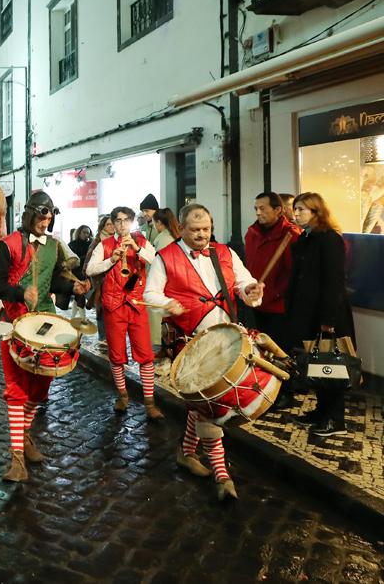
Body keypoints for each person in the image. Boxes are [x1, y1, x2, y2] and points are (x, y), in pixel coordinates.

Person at [142, 203, 264, 501]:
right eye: (194, 230)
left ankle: (186, 453)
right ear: (180, 229)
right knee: (213, 405)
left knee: (201, 405)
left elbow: (242, 281)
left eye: (206, 229)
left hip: (226, 338)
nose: (201, 235)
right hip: (190, 342)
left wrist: (250, 291)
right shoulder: (166, 257)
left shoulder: (224, 252)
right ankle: (222, 475)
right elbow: (149, 294)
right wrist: (166, 303)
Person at [0, 191, 90, 482]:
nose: (44, 223)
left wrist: (72, 289)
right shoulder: (8, 245)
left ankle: (25, 436)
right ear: (30, 215)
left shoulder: (54, 245)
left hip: (45, 319)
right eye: (41, 217)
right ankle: (17, 458)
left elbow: (54, 280)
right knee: (17, 390)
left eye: (49, 219)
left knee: (40, 388)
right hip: (15, 321)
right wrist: (21, 292)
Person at [287, 193, 355, 437]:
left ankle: (335, 420)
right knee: (317, 363)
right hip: (307, 313)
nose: (296, 214)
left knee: (331, 365)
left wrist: (329, 320)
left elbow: (333, 282)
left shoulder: (329, 240)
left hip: (327, 314)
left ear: (316, 212)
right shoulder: (305, 238)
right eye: (295, 209)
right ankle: (321, 410)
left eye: (301, 210)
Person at [85, 206, 163, 419]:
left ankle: (149, 402)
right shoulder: (105, 245)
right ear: (113, 223)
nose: (121, 224)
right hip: (114, 305)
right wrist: (111, 259)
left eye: (125, 220)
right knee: (117, 355)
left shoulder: (141, 240)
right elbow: (90, 269)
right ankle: (122, 395)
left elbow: (156, 261)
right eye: (117, 221)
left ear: (131, 222)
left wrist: (136, 249)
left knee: (145, 355)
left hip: (136, 303)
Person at [245, 192, 301, 406]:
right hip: (257, 302)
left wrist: (275, 293)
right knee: (261, 350)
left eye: (263, 208)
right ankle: (267, 388)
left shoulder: (290, 235)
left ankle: (285, 392)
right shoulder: (252, 233)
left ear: (278, 210)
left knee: (281, 350)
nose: (258, 212)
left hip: (279, 305)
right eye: (256, 208)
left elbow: (292, 275)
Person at [148, 208, 179, 349]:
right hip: (171, 287)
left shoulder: (163, 239)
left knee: (159, 327)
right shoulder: (173, 236)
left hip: (162, 287)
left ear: (159, 223)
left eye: (154, 223)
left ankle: (161, 354)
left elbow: (159, 265)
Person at [84, 215, 117, 344]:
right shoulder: (98, 242)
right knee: (102, 312)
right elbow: (87, 266)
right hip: (101, 283)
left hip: (115, 283)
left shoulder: (118, 240)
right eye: (108, 224)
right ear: (102, 226)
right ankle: (103, 340)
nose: (112, 226)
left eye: (113, 224)